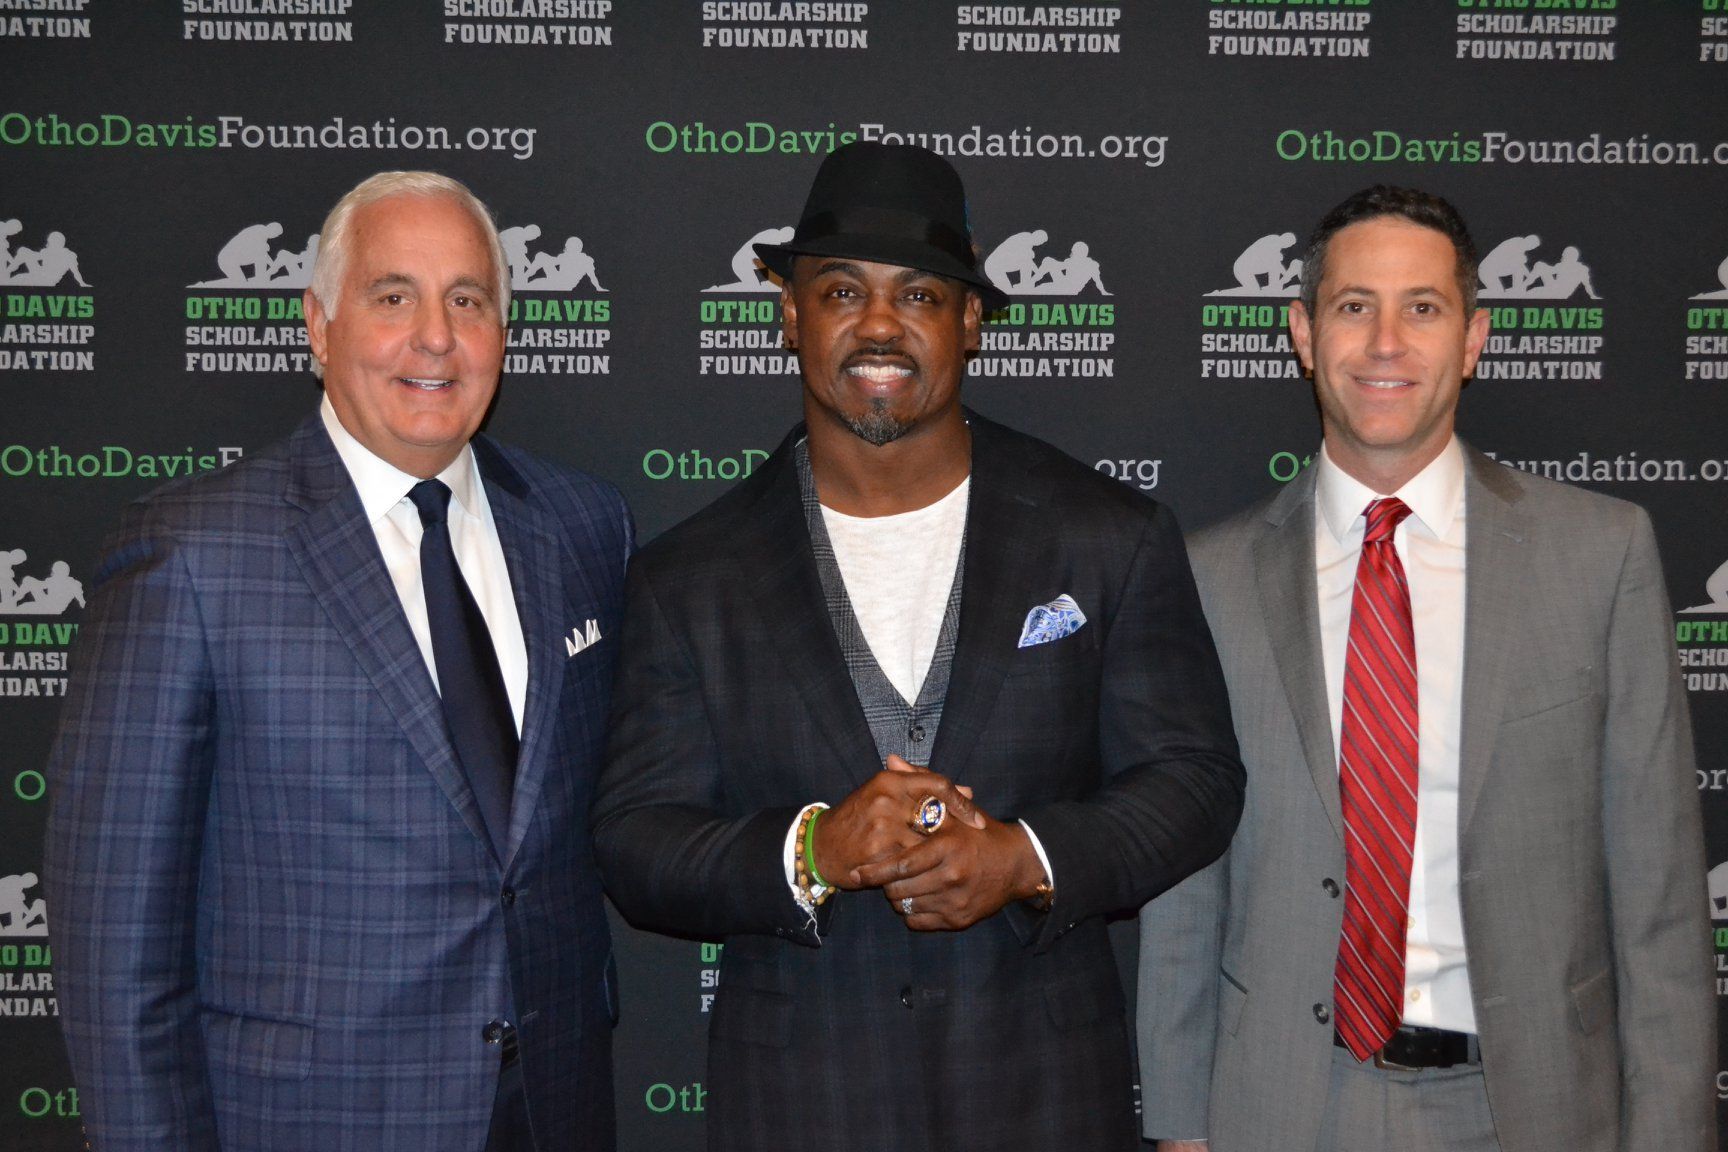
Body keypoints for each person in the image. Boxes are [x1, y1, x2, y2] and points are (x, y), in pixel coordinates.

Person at [592, 141, 1244, 1152]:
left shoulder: (1106, 536)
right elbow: (636, 841)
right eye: (843, 289)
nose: (882, 324)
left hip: (1046, 1099)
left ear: (971, 319)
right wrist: (812, 851)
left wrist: (1022, 859)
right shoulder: (692, 575)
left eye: (923, 295)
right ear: (789, 314)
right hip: (799, 1108)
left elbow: (1196, 780)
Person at [45, 170, 631, 1152]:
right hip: (306, 1118)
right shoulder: (193, 556)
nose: (435, 336)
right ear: (318, 328)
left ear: (503, 332)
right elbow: (115, 954)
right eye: (393, 296)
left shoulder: (582, 528)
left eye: (468, 300)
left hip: (554, 1109)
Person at [1137, 185, 1713, 1152]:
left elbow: (1657, 899)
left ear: (1474, 338)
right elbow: (1187, 888)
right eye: (1354, 306)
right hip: (1280, 1103)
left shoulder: (1600, 554)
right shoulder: (1209, 577)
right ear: (1304, 335)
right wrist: (1185, 1126)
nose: (1387, 343)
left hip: (1530, 1105)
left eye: (1423, 308)